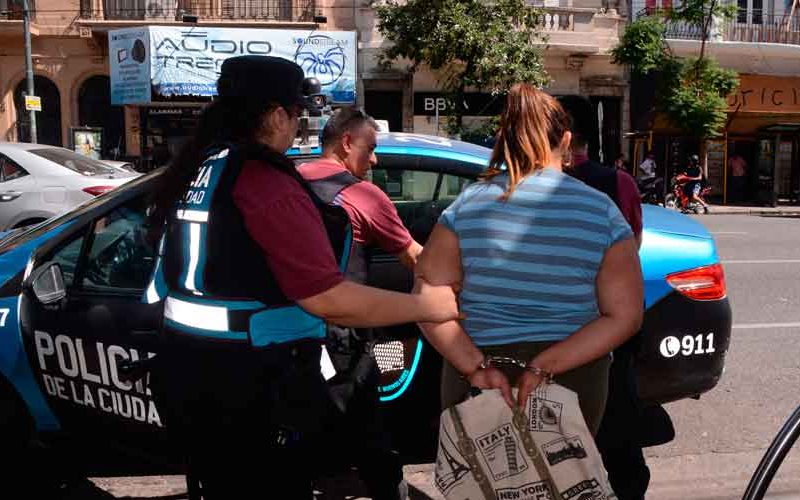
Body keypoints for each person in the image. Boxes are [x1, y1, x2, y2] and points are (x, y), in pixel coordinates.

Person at [144, 56, 459, 499]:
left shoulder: (203, 168)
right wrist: (428, 306)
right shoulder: (264, 181)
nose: (298, 126)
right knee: (361, 425)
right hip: (254, 390)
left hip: (193, 375)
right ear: (276, 115)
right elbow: (327, 298)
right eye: (296, 115)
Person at [415, 83, 644, 438]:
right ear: (566, 142)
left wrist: (475, 367)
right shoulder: (603, 213)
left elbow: (427, 297)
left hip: (479, 370)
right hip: (573, 375)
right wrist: (543, 367)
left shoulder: (467, 205)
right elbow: (625, 316)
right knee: (565, 483)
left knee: (478, 486)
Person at [297, 107, 421, 500]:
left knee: (300, 425)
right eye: (371, 148)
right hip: (345, 334)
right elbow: (417, 260)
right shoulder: (363, 194)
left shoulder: (290, 183)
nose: (376, 158)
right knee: (369, 425)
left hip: (291, 330)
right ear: (347, 143)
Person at [560, 95, 664, 500]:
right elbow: (631, 248)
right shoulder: (615, 183)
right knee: (619, 445)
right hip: (607, 329)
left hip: (551, 332)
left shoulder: (518, 187)